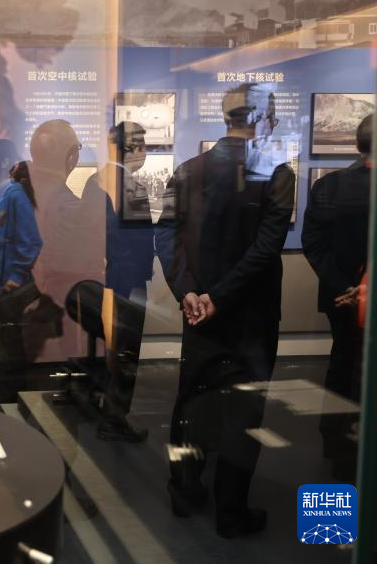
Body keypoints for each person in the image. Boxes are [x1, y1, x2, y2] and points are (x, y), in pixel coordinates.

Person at [156, 83, 294, 537]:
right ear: (262, 119)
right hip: (251, 315)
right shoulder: (277, 173)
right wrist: (218, 296)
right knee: (244, 413)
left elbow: (166, 236)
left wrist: (190, 292)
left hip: (199, 313)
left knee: (191, 403)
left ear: (226, 116)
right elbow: (265, 249)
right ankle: (230, 513)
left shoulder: (188, 169)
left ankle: (183, 491)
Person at [302, 114, 372, 481]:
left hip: (340, 298)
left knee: (342, 363)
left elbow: (313, 243)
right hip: (358, 296)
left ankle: (337, 448)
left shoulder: (328, 186)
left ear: (357, 144)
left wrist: (343, 286)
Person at [82, 122, 154, 442]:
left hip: (102, 279)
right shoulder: (131, 187)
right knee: (126, 351)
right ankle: (115, 418)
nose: (144, 151)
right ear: (128, 147)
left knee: (109, 344)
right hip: (127, 281)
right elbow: (138, 242)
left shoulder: (94, 182)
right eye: (141, 144)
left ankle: (105, 406)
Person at [28, 119, 104, 362]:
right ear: (70, 156)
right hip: (65, 295)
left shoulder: (17, 189)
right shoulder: (68, 197)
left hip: (35, 299)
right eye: (77, 149)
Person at [0, 160, 42, 399]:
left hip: (7, 282)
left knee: (11, 337)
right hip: (0, 280)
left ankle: (9, 393)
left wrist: (15, 277)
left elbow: (32, 242)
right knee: (9, 336)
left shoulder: (15, 195)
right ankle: (8, 392)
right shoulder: (8, 192)